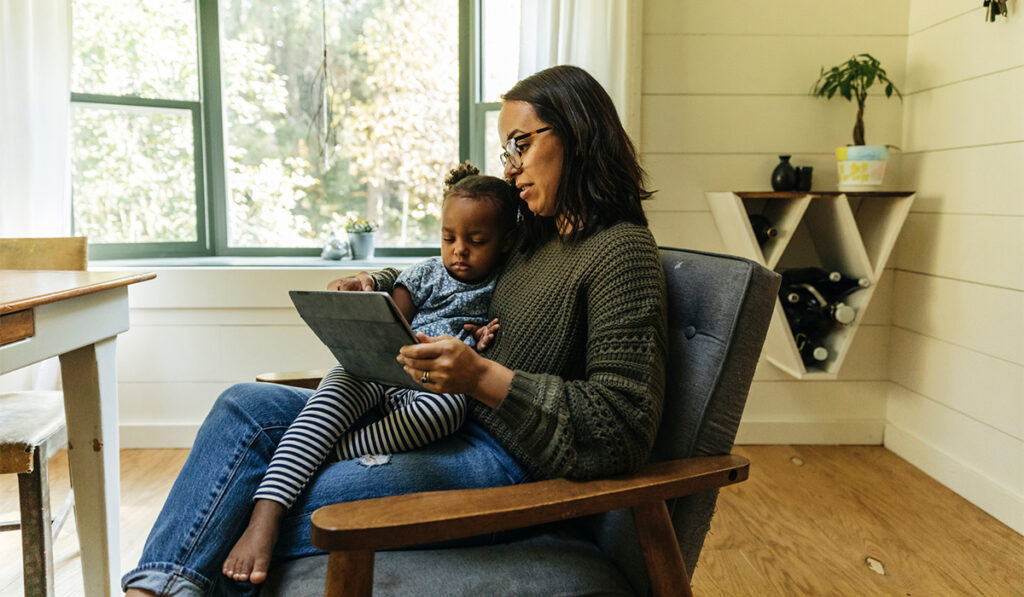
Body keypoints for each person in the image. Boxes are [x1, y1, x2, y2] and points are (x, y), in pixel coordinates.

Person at [123, 64, 666, 597]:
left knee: (266, 498)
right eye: (507, 151)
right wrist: (375, 283)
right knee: (242, 404)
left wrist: (481, 376)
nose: (511, 169)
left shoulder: (621, 252)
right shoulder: (530, 236)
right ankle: (153, 590)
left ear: (576, 132)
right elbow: (446, 269)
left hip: (505, 460)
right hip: (434, 414)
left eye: (521, 145)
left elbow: (622, 427)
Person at [221, 162, 517, 584]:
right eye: (448, 238)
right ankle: (266, 513)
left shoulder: (506, 287)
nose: (459, 251)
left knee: (449, 411)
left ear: (505, 242)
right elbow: (386, 320)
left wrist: (485, 339)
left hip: (431, 386)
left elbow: (491, 352)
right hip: (380, 367)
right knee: (334, 390)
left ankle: (319, 457)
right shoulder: (425, 274)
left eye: (476, 241)